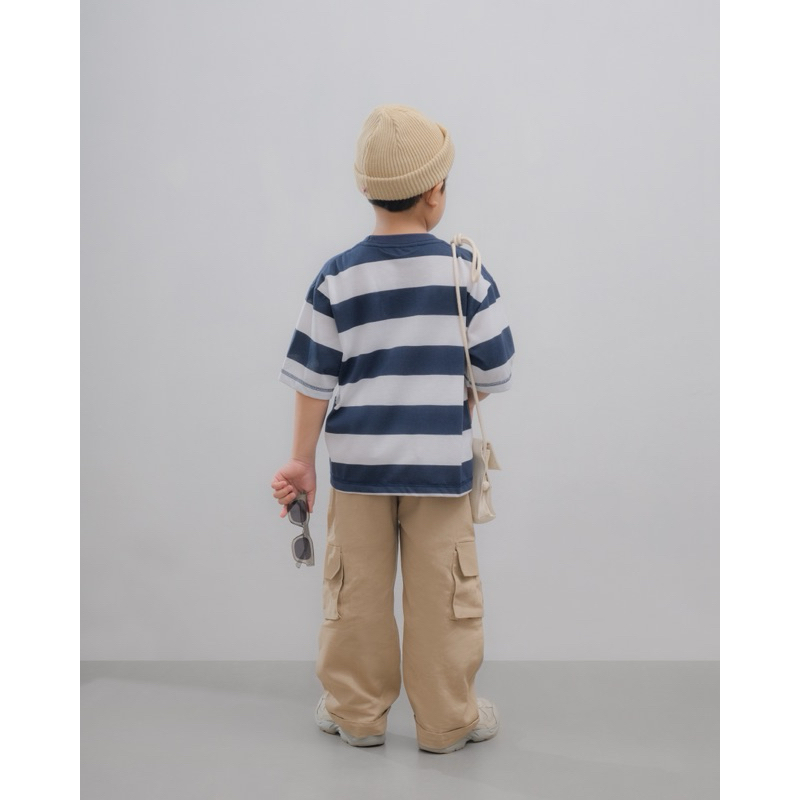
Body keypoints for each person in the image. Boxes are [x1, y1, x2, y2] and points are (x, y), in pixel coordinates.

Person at [271, 104, 515, 754]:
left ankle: (356, 714)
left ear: (365, 187)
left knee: (355, 596)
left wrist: (301, 462)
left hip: (358, 474)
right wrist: (455, 394)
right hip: (441, 474)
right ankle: (446, 721)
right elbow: (497, 367)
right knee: (445, 599)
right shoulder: (464, 272)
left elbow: (312, 381)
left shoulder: (337, 276)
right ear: (435, 192)